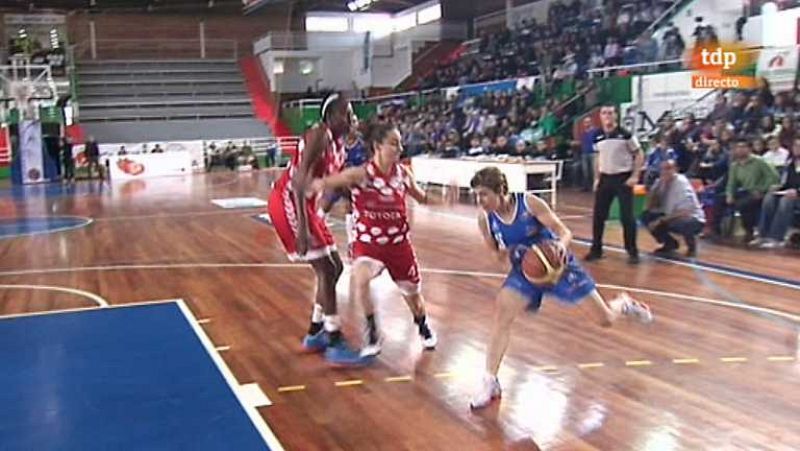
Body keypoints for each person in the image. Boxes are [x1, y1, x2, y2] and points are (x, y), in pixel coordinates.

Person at [469, 167, 653, 409]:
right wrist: (504, 253)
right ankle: (490, 380)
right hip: (526, 271)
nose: (479, 200)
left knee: (605, 319)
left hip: (558, 266)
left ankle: (623, 304)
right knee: (502, 314)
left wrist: (559, 248)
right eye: (477, 195)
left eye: (484, 194)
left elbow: (564, 232)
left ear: (501, 190)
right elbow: (494, 254)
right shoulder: (485, 219)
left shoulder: (529, 204)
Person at [309, 123, 437, 358]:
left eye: (400, 143)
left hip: (399, 246)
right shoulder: (361, 174)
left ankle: (422, 325)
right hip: (369, 245)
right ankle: (373, 332)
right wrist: (314, 184)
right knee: (360, 279)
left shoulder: (403, 174)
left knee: (414, 299)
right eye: (394, 143)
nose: (400, 148)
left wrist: (445, 200)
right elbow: (330, 181)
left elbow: (422, 198)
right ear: (378, 146)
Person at [266, 92, 369, 366]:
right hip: (288, 200)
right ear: (331, 116)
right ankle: (333, 340)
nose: (352, 118)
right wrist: (303, 228)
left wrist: (354, 198)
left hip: (307, 205)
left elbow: (330, 186)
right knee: (325, 268)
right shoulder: (319, 135)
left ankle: (315, 331)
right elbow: (300, 181)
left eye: (352, 114)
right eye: (346, 113)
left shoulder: (338, 146)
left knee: (335, 267)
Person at [586, 104, 644, 264]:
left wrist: (635, 175)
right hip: (605, 178)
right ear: (600, 116)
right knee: (598, 215)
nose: (607, 116)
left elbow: (639, 153)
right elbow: (597, 157)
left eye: (610, 113)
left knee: (627, 216)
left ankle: (632, 251)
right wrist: (596, 178)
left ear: (616, 115)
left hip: (622, 178)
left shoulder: (625, 134)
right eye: (604, 113)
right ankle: (596, 249)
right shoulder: (597, 135)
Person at [640, 160, 705, 257]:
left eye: (668, 169)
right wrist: (654, 190)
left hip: (691, 217)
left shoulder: (681, 183)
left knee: (684, 223)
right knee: (646, 216)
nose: (665, 172)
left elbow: (685, 211)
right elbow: (650, 206)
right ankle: (669, 243)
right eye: (662, 169)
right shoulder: (660, 182)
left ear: (676, 169)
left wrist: (660, 220)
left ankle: (692, 246)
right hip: (670, 215)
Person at [725, 139, 780, 243]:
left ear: (750, 149)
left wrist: (761, 189)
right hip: (746, 191)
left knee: (743, 204)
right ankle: (717, 230)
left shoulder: (760, 161)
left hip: (762, 191)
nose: (740, 150)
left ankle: (750, 230)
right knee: (719, 200)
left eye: (743, 147)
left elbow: (773, 177)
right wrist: (729, 194)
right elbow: (731, 183)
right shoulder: (734, 165)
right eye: (738, 147)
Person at [752, 137, 800, 248]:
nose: (797, 148)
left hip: (796, 196)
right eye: (795, 146)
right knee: (769, 198)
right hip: (789, 192)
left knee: (785, 202)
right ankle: (762, 235)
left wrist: (797, 192)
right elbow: (786, 182)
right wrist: (778, 187)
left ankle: (777, 238)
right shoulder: (790, 163)